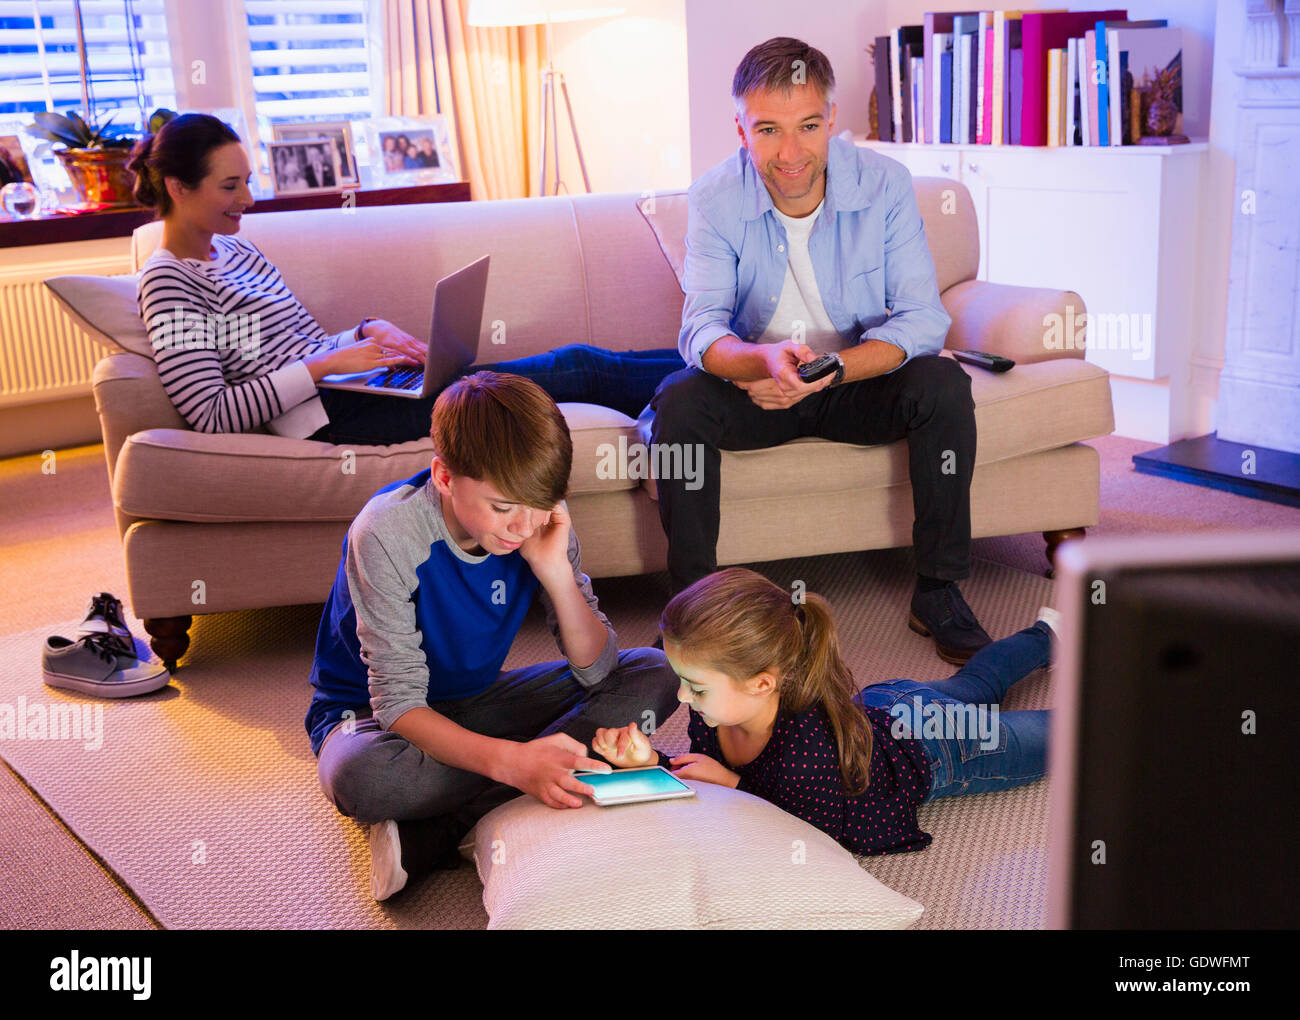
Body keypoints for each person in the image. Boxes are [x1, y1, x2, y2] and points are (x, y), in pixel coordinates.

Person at [647, 37, 988, 664]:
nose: (791, 151)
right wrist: (763, 363)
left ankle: (937, 591)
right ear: (741, 131)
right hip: (758, 387)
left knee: (942, 384)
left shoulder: (885, 185)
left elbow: (922, 319)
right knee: (678, 402)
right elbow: (701, 328)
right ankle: (691, 603)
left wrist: (831, 373)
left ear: (832, 119)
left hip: (850, 380)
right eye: (768, 130)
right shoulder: (714, 197)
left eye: (808, 126)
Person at [307, 372, 681, 899]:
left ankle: (440, 827)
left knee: (654, 671)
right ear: (443, 476)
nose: (522, 526)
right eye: (502, 508)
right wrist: (514, 762)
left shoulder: (541, 521)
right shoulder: (386, 533)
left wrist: (554, 571)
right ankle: (537, 774)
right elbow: (396, 703)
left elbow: (597, 670)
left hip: (476, 701)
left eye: (538, 503)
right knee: (365, 779)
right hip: (375, 719)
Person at [128, 113, 684, 445]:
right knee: (576, 366)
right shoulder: (169, 282)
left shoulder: (235, 249)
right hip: (330, 418)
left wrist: (365, 335)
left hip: (349, 389)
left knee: (580, 362)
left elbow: (300, 345)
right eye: (229, 186)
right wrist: (324, 366)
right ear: (178, 187)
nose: (246, 200)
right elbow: (210, 413)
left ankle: (721, 363)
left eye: (246, 182)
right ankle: (721, 372)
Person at [593, 567, 1056, 857]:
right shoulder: (716, 707)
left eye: (694, 687)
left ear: (762, 683)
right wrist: (651, 763)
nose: (682, 700)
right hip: (888, 706)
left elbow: (820, 836)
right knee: (973, 686)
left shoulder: (804, 755)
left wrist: (735, 784)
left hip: (941, 746)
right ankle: (1047, 633)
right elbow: (702, 772)